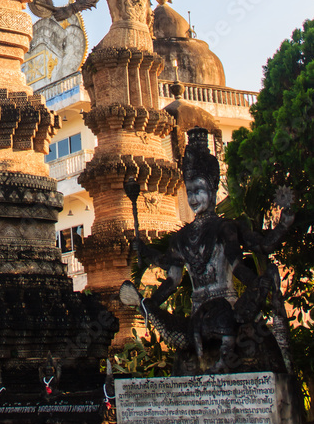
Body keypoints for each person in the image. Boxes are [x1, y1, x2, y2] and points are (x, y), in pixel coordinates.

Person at [120, 127, 295, 373]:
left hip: (226, 307)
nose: (193, 199)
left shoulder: (225, 228)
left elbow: (244, 260)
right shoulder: (181, 238)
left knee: (230, 318)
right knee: (174, 331)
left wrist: (282, 228)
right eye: (190, 191)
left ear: (212, 189)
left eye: (199, 191)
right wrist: (150, 299)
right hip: (196, 314)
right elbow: (172, 279)